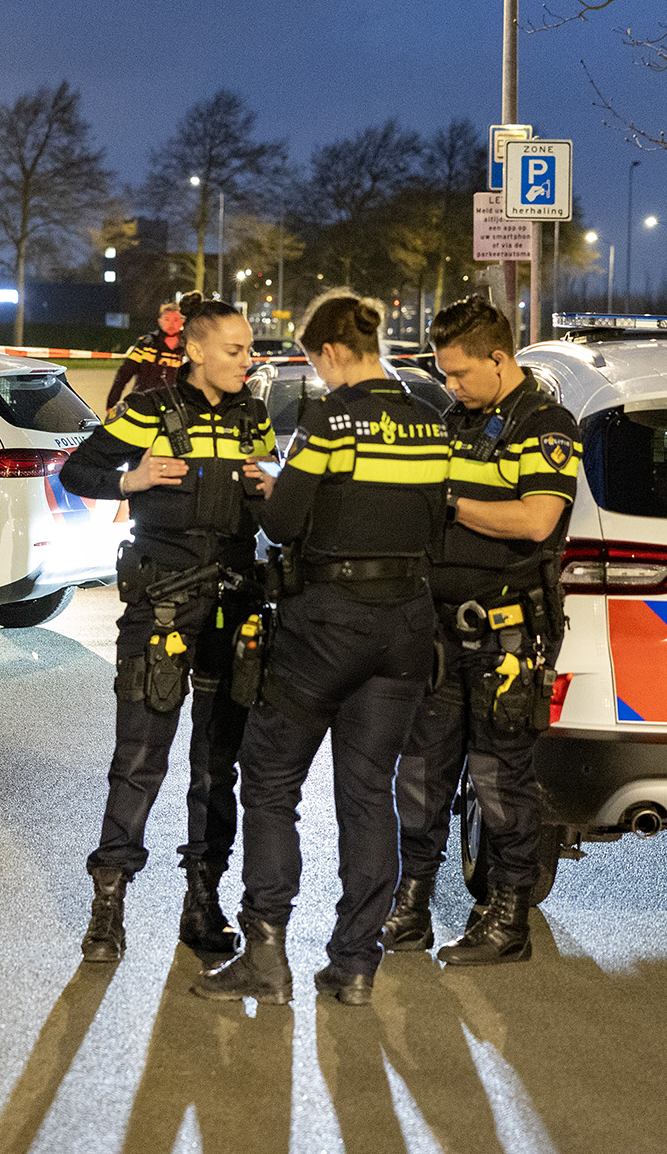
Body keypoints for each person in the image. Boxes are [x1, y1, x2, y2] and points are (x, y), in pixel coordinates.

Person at [194, 290, 449, 1008]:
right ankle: (355, 963)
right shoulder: (431, 424)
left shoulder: (328, 419)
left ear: (331, 352)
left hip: (328, 625)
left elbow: (282, 517)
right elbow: (434, 521)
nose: (318, 371)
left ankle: (266, 953)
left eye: (314, 359)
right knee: (369, 793)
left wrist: (285, 488)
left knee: (271, 778)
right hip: (405, 627)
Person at [59, 292, 276, 964]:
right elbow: (78, 469)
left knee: (218, 769)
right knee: (140, 760)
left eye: (249, 349)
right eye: (236, 349)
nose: (248, 359)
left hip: (233, 608)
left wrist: (270, 485)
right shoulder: (150, 411)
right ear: (199, 351)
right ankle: (108, 906)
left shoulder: (254, 416)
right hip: (161, 609)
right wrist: (134, 477)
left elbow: (267, 499)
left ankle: (202, 904)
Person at [382, 294, 579, 966]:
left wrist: (450, 502)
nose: (451, 385)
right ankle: (410, 904)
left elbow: (535, 521)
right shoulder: (451, 420)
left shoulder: (547, 425)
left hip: (506, 637)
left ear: (500, 358)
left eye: (461, 372)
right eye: (443, 373)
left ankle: (507, 919)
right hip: (438, 633)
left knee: (501, 781)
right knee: (421, 774)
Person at [105, 302, 187, 413]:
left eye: (176, 320)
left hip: (175, 408)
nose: (171, 324)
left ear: (182, 321)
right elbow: (123, 375)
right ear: (160, 321)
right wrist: (112, 403)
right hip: (143, 404)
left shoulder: (188, 348)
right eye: (167, 319)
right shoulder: (146, 345)